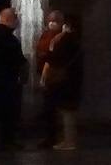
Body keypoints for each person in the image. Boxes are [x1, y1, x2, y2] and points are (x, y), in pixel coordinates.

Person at [42, 14, 83, 151]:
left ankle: (69, 141)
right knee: (69, 111)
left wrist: (56, 40)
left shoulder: (66, 40)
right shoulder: (77, 41)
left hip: (66, 79)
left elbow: (53, 56)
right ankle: (69, 140)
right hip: (73, 79)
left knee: (67, 111)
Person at [0, 8, 27, 150]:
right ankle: (7, 141)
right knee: (9, 112)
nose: (17, 21)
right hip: (6, 81)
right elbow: (12, 59)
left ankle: (5, 140)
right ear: (9, 20)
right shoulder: (7, 39)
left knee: (4, 112)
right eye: (15, 18)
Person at [33, 10, 65, 148]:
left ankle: (54, 138)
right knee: (48, 109)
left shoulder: (60, 37)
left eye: (56, 21)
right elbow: (40, 48)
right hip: (46, 76)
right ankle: (50, 137)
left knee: (53, 109)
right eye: (50, 20)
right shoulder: (46, 34)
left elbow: (49, 51)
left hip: (55, 77)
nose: (52, 23)